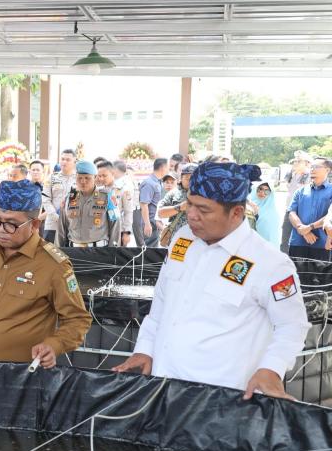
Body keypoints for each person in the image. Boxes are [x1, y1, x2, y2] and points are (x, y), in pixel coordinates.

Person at [114, 162, 309, 399]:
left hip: (220, 399)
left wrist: (272, 368)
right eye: (190, 204)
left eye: (204, 210)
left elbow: (292, 325)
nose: (191, 215)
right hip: (162, 386)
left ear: (236, 212)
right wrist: (145, 349)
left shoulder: (271, 263)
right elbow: (163, 302)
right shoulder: (182, 239)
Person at [0, 179, 91, 365]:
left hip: (18, 376)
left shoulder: (53, 265)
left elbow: (78, 319)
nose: (1, 231)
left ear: (34, 225)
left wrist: (55, 345)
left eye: (11, 224)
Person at [57, 160, 120, 248]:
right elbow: (61, 227)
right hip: (73, 250)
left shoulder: (107, 197)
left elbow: (115, 224)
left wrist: (114, 252)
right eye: (80, 178)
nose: (83, 181)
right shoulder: (70, 198)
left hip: (99, 251)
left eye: (87, 178)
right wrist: (58, 250)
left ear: (95, 177)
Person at [288, 158, 332, 261]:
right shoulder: (300, 191)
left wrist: (309, 227)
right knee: (295, 271)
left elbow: (330, 215)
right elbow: (292, 212)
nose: (312, 169)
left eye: (316, 167)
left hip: (322, 243)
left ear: (327, 170)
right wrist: (303, 230)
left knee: (319, 272)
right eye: (311, 167)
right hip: (298, 242)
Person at [156, 163, 196, 247]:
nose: (191, 181)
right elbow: (160, 213)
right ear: (181, 178)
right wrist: (180, 207)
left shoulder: (205, 194)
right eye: (187, 178)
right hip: (178, 239)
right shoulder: (173, 193)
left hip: (199, 239)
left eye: (194, 178)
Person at [44, 149, 77, 243]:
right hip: (53, 224)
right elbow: (45, 199)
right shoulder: (51, 178)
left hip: (72, 225)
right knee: (49, 250)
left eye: (68, 159)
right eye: (62, 159)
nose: (64, 162)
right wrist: (55, 216)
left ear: (74, 162)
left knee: (69, 251)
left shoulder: (79, 179)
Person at [282, 152, 312, 252]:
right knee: (285, 239)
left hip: (304, 212)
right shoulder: (291, 174)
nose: (295, 163)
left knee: (303, 240)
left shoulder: (310, 176)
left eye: (299, 161)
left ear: (306, 163)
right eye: (294, 161)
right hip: (290, 210)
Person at [136, 157, 168, 248]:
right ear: (162, 168)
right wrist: (147, 224)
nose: (168, 170)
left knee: (154, 250)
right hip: (150, 224)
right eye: (167, 167)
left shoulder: (158, 182)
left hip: (155, 223)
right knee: (149, 252)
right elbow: (144, 205)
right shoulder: (149, 183)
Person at [111, 160, 137, 247]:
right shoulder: (113, 183)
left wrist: (126, 233)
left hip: (120, 229)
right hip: (111, 226)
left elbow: (128, 211)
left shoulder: (126, 186)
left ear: (114, 170)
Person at [252, 182, 280, 246]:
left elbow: (272, 237)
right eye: (260, 189)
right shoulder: (248, 205)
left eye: (267, 191)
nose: (262, 193)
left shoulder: (272, 213)